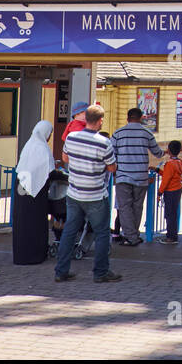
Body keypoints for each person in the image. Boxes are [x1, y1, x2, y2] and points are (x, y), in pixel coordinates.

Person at [55, 103, 120, 282]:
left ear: (85, 118)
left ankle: (61, 271)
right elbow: (112, 167)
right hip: (96, 194)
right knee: (101, 233)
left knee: (69, 231)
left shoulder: (72, 137)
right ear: (100, 121)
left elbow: (65, 158)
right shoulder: (104, 142)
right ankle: (100, 272)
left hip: (74, 192)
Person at [109, 106, 165, 246]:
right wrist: (166, 152)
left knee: (124, 207)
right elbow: (157, 153)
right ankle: (133, 235)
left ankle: (131, 237)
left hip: (123, 177)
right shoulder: (146, 133)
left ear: (127, 118)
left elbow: (110, 155)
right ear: (141, 118)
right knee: (137, 207)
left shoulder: (118, 134)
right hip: (141, 177)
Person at [12, 119, 57, 265]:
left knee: (22, 222)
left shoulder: (29, 145)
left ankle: (21, 255)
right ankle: (36, 254)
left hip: (22, 187)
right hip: (36, 192)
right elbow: (48, 171)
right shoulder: (42, 148)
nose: (49, 136)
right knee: (36, 222)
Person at [156, 140, 182, 244]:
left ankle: (171, 237)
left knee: (169, 214)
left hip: (170, 191)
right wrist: (158, 171)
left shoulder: (169, 164)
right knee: (173, 213)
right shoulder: (180, 162)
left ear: (168, 150)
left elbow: (166, 180)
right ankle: (173, 235)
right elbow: (171, 175)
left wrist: (159, 193)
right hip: (177, 190)